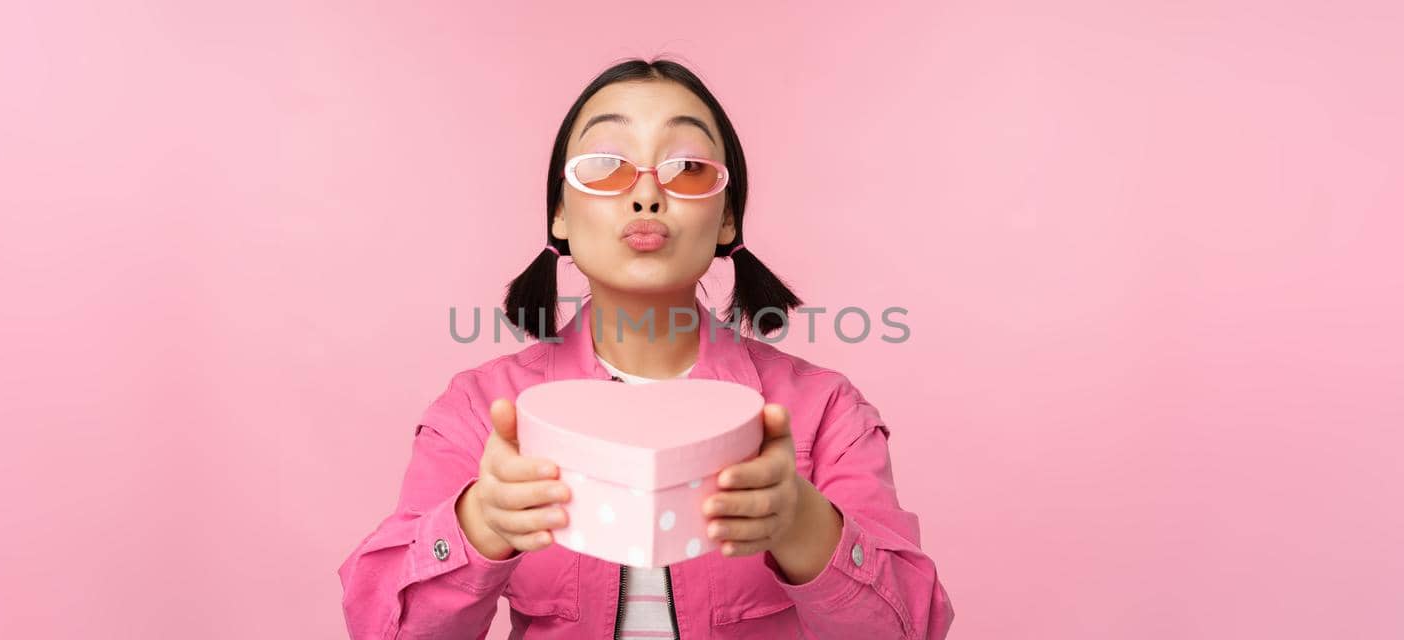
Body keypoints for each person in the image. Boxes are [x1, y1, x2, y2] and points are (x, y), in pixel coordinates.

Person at [339, 57, 955, 639]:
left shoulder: (822, 411)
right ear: (558, 212)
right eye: (606, 164)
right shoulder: (481, 410)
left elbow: (912, 627)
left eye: (688, 168)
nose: (646, 194)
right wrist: (481, 523)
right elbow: (379, 627)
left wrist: (799, 521)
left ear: (726, 220)